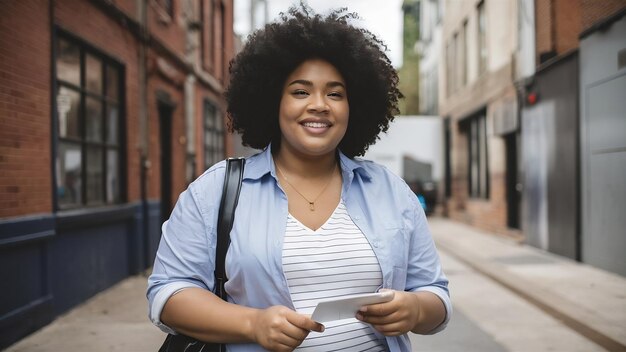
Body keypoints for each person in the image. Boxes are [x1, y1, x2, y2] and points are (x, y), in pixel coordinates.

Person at [148, 4, 451, 352]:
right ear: (273, 101)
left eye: (335, 93)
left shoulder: (389, 191)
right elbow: (167, 293)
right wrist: (252, 323)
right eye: (301, 91)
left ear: (354, 106)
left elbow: (436, 294)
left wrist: (414, 309)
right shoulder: (216, 190)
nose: (320, 104)